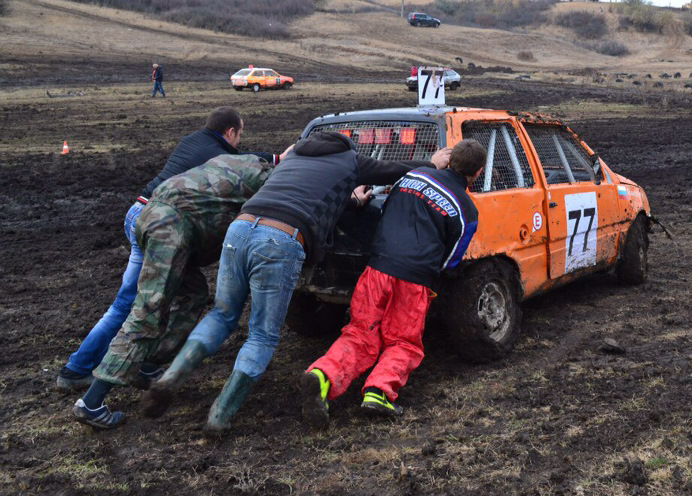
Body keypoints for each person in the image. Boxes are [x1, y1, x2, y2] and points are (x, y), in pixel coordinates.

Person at [143, 132, 452, 434]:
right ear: (345, 147)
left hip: (240, 228)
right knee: (262, 336)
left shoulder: (294, 158)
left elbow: (306, 193)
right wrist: (433, 163)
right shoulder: (348, 159)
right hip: (281, 238)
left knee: (222, 314)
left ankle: (172, 375)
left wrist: (351, 201)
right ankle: (220, 415)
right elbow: (396, 170)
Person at [56, 106, 280, 391]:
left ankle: (143, 365)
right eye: (240, 135)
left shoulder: (192, 140)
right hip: (158, 219)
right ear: (230, 131)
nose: (240, 142)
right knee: (132, 302)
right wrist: (277, 159)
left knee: (188, 292)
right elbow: (238, 164)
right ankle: (77, 371)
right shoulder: (216, 152)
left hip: (141, 211)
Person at [72, 151, 291, 429]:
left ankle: (147, 365)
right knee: (147, 312)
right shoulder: (268, 178)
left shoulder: (241, 160)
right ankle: (91, 402)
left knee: (194, 294)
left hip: (154, 214)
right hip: (170, 227)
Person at [300, 139, 485, 429]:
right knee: (404, 341)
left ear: (449, 161)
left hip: (377, 268)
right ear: (479, 172)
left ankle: (323, 375)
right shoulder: (467, 210)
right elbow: (451, 260)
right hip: (414, 278)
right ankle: (379, 393)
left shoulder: (410, 177)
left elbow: (385, 212)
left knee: (360, 333)